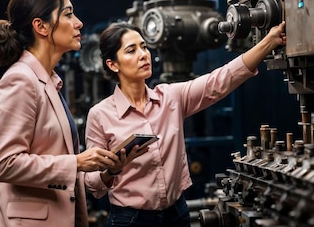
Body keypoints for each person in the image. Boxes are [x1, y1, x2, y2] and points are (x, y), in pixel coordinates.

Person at [84, 20, 287, 227]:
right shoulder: (100, 115)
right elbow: (92, 184)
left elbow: (219, 81)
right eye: (131, 50)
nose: (143, 55)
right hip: (130, 220)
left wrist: (268, 42)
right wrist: (111, 171)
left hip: (177, 215)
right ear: (113, 64)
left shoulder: (170, 98)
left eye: (144, 47)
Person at [0, 0, 120, 227]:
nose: (78, 23)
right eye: (68, 14)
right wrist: (76, 162)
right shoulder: (20, 81)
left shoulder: (47, 81)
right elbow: (5, 164)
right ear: (41, 26)